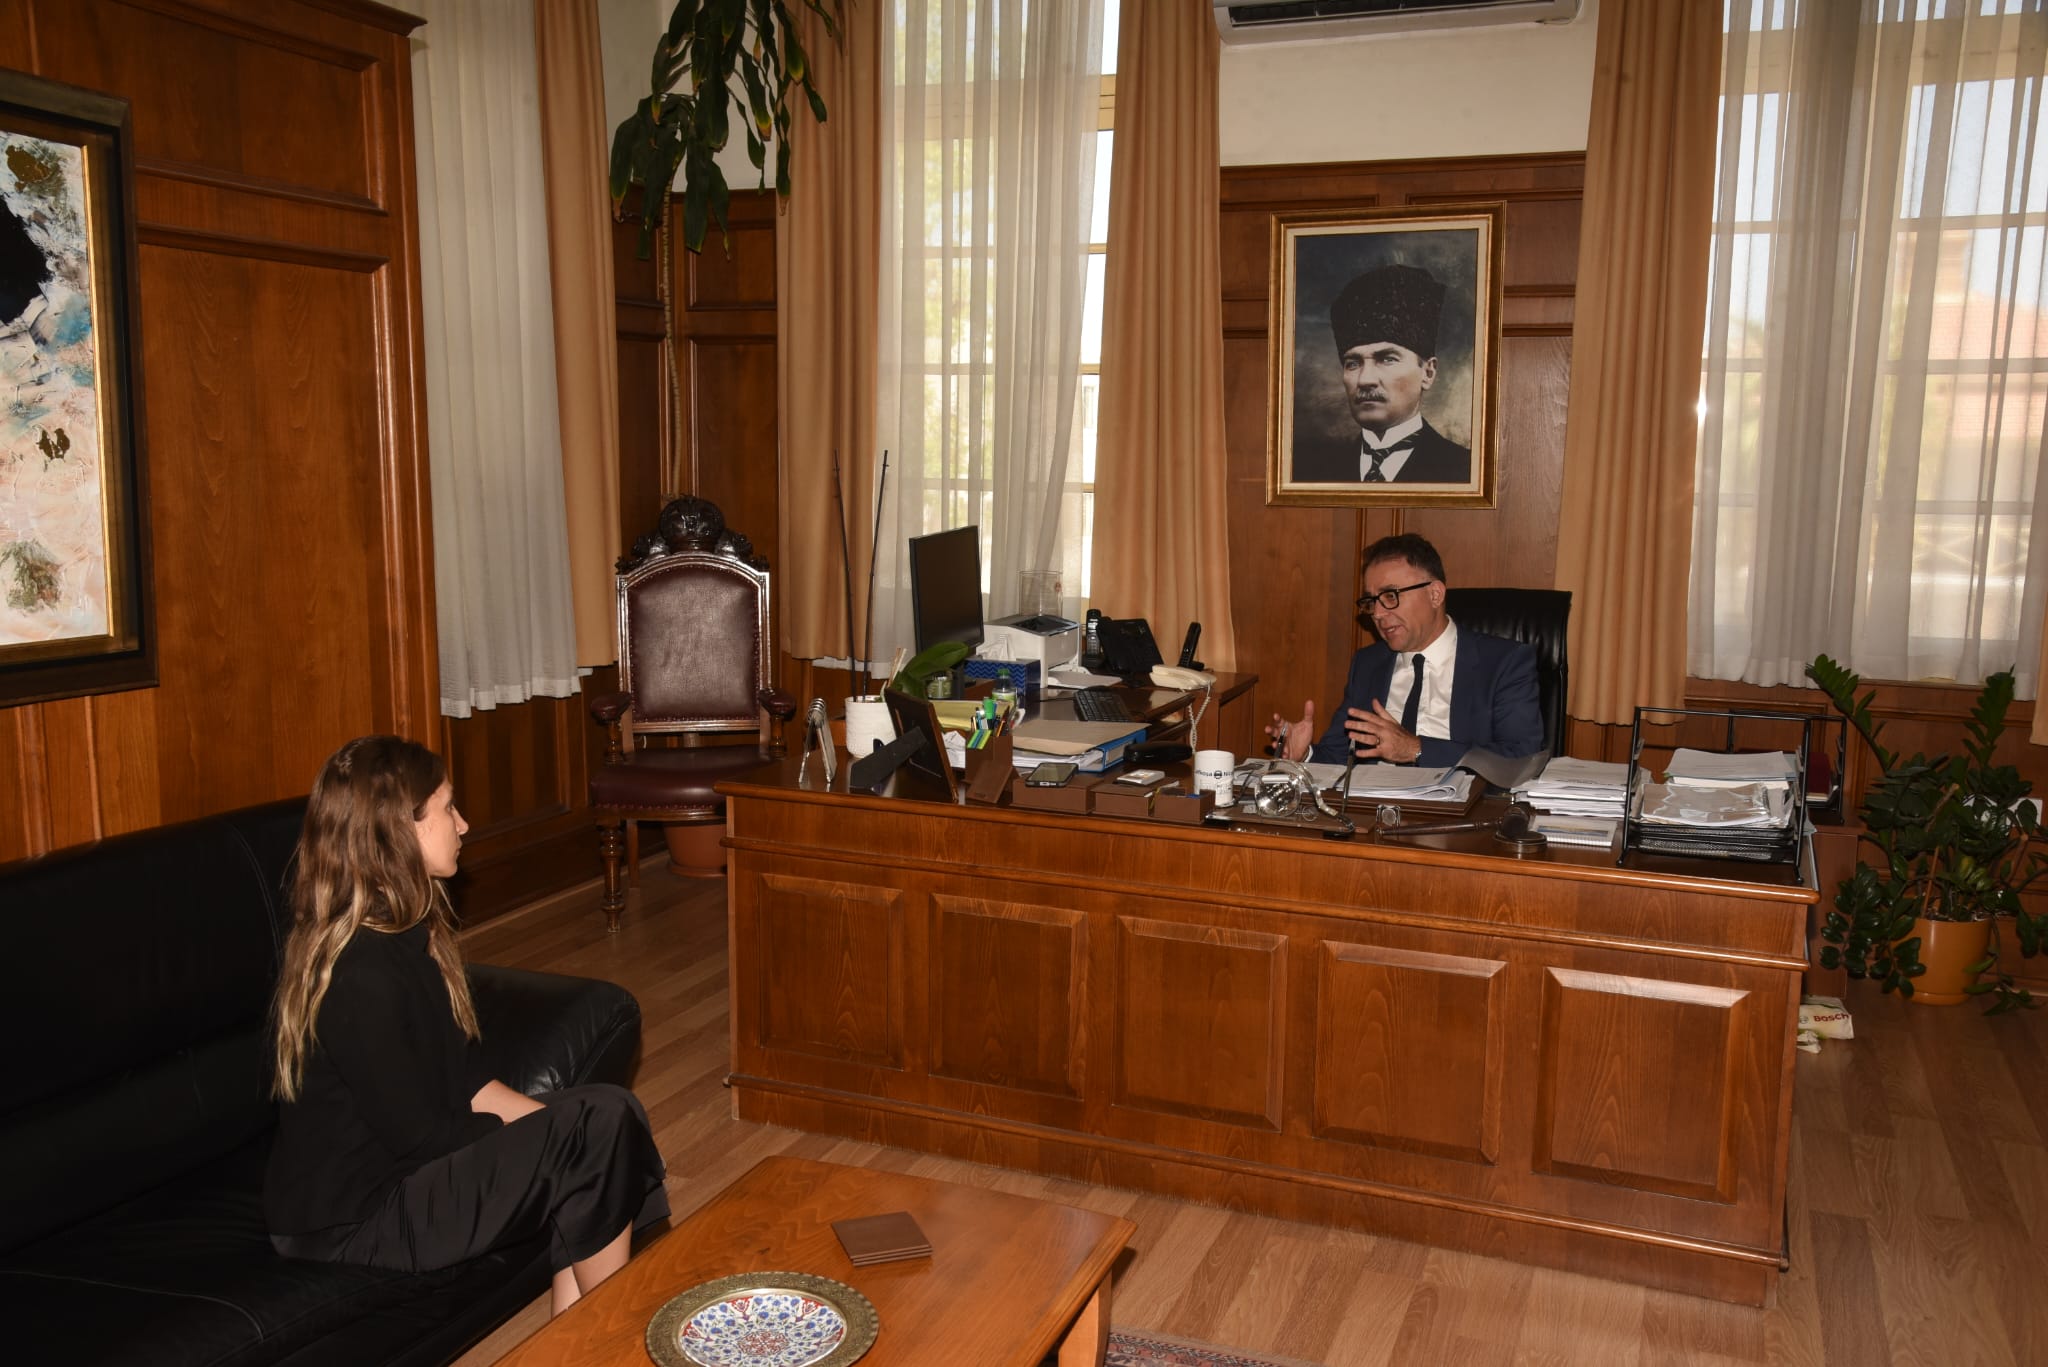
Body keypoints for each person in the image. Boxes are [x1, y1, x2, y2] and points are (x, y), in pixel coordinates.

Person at [264, 736, 668, 1317]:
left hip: (403, 1178)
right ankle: (611, 1336)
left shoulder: (406, 935)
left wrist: (560, 1131)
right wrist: (556, 1141)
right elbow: (420, 1137)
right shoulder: (359, 974)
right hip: (353, 1221)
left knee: (610, 1113)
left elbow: (470, 1081)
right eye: (448, 808)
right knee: (593, 1130)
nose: (464, 824)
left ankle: (573, 1337)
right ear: (399, 831)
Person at [1268, 534, 1543, 769]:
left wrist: (1416, 749)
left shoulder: (1503, 663)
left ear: (1435, 594)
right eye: (1371, 601)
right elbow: (1340, 755)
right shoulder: (1368, 664)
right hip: (1373, 808)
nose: (1377, 614)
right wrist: (1305, 754)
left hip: (1460, 809)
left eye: (1390, 596)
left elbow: (1520, 758)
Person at [1292, 263, 1473, 485]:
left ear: (1428, 373)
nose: (1365, 380)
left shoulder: (1465, 471)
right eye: (1353, 363)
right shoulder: (1312, 473)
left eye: (1387, 359)